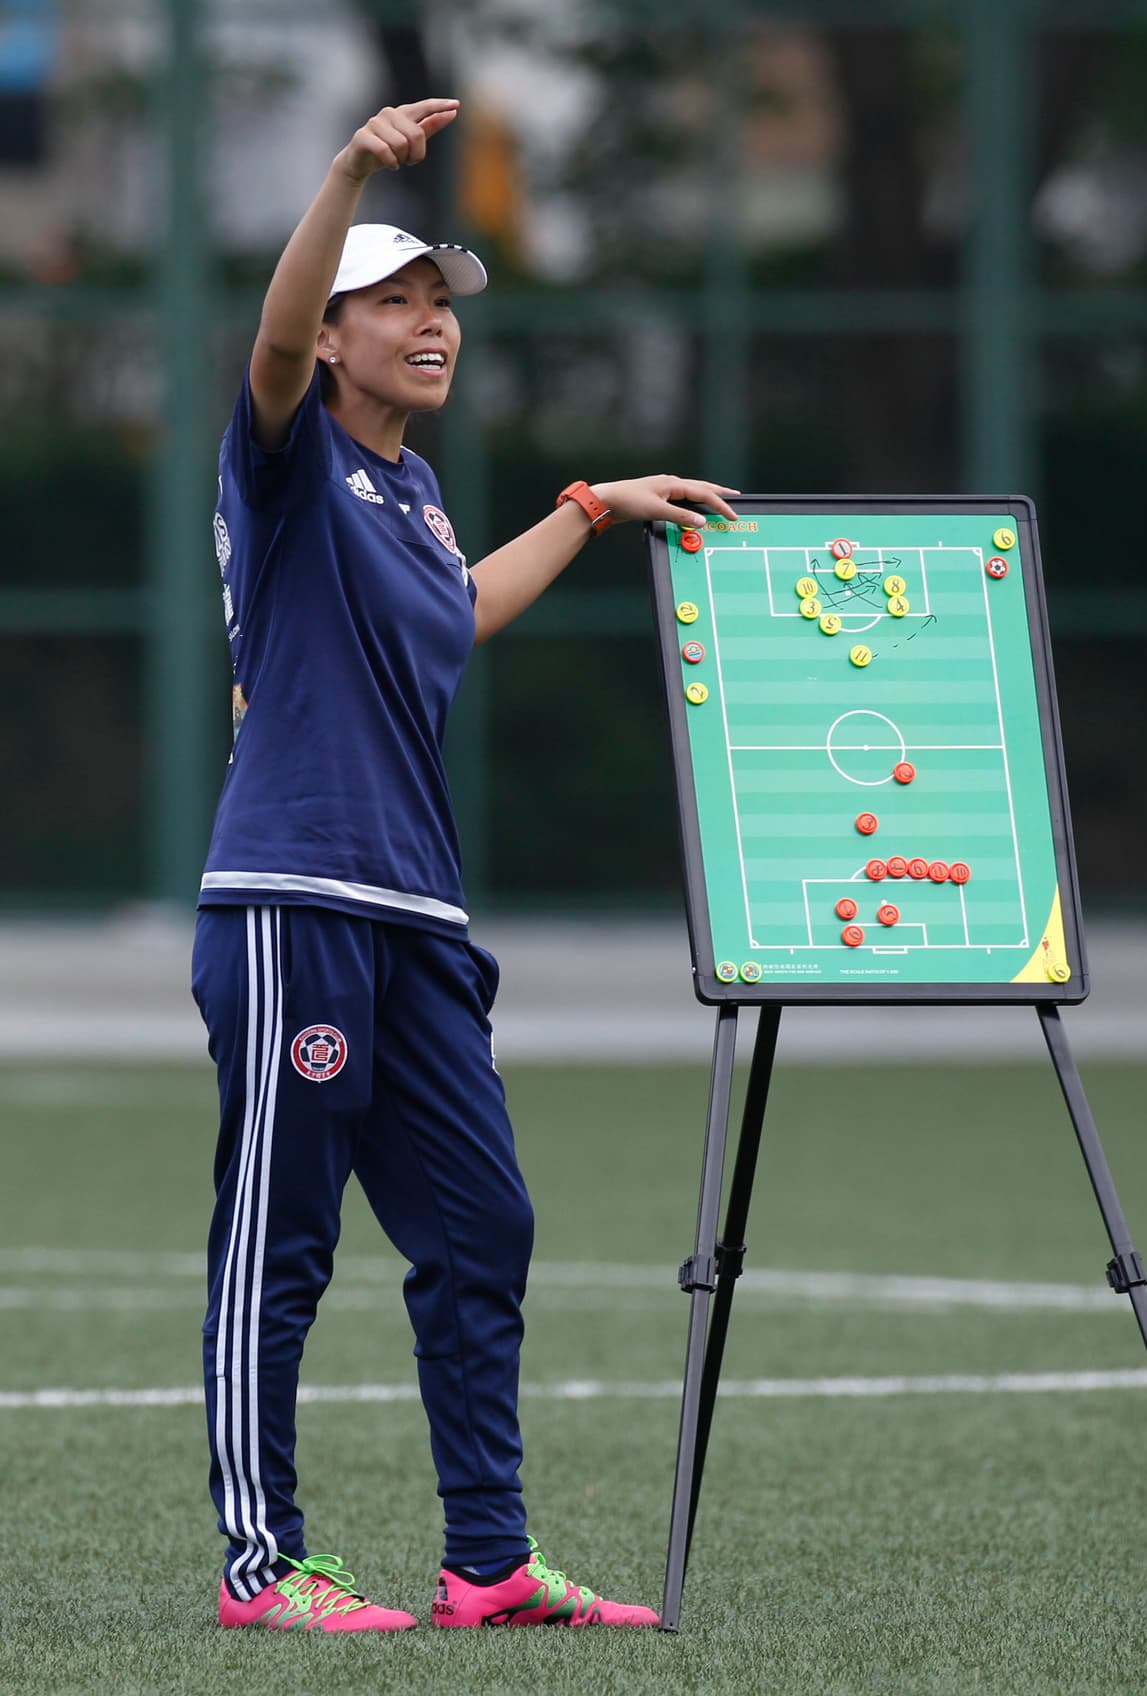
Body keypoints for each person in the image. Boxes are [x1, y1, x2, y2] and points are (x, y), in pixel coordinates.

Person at [191, 95, 738, 1633]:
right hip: (297, 902)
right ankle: (264, 1568)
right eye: (400, 301)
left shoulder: (415, 492)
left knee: (483, 1227)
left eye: (442, 303)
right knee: (277, 1242)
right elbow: (277, 345)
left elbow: (456, 617)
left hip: (417, 915)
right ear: (341, 329)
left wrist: (586, 508)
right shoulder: (284, 458)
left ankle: (488, 1563)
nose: (431, 324)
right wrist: (354, 171)